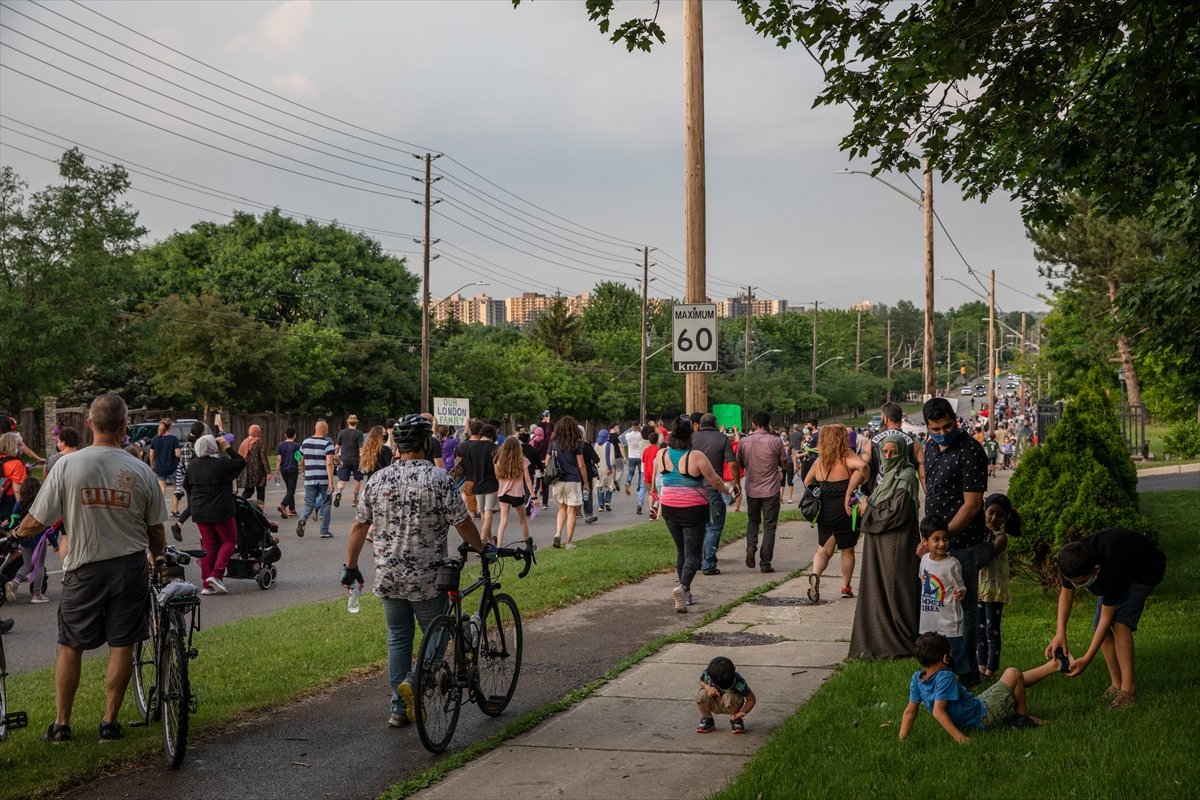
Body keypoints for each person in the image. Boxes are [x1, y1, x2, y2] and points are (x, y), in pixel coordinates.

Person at [15, 393, 166, 744]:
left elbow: (38, 519)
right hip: (129, 567)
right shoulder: (140, 470)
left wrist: (15, 533)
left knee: (71, 644)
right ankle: (109, 723)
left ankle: (62, 725)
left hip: (83, 568)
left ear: (89, 424)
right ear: (125, 426)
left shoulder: (68, 465)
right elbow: (156, 529)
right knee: (123, 644)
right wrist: (156, 557)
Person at [340, 415, 485, 728]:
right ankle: (414, 682)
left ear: (397, 446)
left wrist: (350, 567)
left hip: (388, 575)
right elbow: (463, 523)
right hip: (428, 578)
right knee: (439, 630)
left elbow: (358, 526)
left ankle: (398, 708)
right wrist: (482, 547)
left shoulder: (377, 480)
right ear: (425, 444)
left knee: (398, 639)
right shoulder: (439, 479)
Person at [1047, 527, 1166, 710]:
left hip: (1144, 569)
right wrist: (1060, 633)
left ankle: (1128, 690)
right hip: (1121, 565)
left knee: (1119, 622)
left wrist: (1087, 658)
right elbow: (1066, 593)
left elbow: (1107, 618)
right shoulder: (1073, 560)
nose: (1075, 586)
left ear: (1096, 570)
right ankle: (1116, 684)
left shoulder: (1111, 568)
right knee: (1100, 630)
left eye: (1080, 582)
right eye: (1072, 581)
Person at [920, 396, 990, 685]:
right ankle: (941, 667)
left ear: (955, 420)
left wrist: (943, 537)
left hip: (962, 544)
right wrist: (929, 537)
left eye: (948, 426)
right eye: (936, 428)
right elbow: (931, 484)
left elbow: (972, 504)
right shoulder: (929, 447)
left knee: (964, 610)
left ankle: (967, 673)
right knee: (938, 607)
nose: (942, 432)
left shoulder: (971, 451)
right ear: (927, 427)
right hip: (935, 543)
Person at [899, 632, 1060, 744]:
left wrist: (902, 739)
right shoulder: (945, 676)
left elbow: (910, 711)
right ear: (945, 658)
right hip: (981, 715)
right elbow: (938, 711)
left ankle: (1054, 665)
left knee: (1012, 680)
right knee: (1013, 673)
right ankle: (1022, 719)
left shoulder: (917, 679)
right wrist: (961, 739)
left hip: (976, 705)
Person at [849, 432, 922, 659]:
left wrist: (865, 509)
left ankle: (898, 644)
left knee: (893, 592)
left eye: (894, 452)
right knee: (877, 591)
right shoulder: (890, 474)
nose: (889, 455)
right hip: (880, 544)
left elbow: (895, 514)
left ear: (902, 452)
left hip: (895, 546)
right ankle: (877, 642)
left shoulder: (906, 477)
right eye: (885, 452)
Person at [657, 417, 732, 613]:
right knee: (693, 554)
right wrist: (727, 490)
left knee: (681, 551)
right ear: (691, 435)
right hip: (692, 509)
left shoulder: (661, 453)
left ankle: (686, 593)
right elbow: (714, 481)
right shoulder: (695, 456)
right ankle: (682, 588)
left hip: (669, 508)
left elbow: (662, 478)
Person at [804, 423, 869, 599]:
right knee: (847, 550)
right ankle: (845, 587)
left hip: (825, 509)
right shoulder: (847, 458)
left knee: (823, 550)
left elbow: (807, 481)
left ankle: (816, 575)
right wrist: (859, 483)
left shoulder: (819, 461)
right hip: (846, 509)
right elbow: (863, 466)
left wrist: (819, 490)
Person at [185, 434, 247, 595]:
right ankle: (217, 574)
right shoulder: (222, 463)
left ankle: (206, 583)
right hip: (220, 509)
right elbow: (241, 462)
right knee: (229, 541)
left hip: (199, 510)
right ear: (214, 447)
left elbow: (187, 487)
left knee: (209, 545)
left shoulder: (192, 465)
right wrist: (226, 446)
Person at [918, 515, 970, 680]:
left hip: (949, 622)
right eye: (936, 539)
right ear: (925, 541)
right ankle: (934, 680)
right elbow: (923, 578)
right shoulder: (924, 560)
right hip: (929, 621)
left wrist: (961, 592)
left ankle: (960, 683)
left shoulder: (952, 564)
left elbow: (960, 586)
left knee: (954, 655)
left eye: (945, 539)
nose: (942, 543)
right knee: (931, 654)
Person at [736, 411, 788, 573]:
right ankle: (765, 563)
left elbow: (739, 463)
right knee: (769, 526)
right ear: (769, 424)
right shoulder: (776, 441)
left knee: (752, 521)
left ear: (753, 424)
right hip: (771, 489)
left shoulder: (744, 442)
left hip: (752, 489)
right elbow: (784, 463)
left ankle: (751, 546)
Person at [978, 494, 1019, 679]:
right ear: (984, 511)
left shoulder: (1000, 538)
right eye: (990, 513)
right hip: (979, 587)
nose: (993, 518)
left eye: (999, 515)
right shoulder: (978, 531)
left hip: (994, 589)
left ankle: (991, 670)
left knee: (991, 630)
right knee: (979, 629)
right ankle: (980, 667)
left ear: (1005, 518)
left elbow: (985, 557)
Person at [692, 413, 740, 576]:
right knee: (714, 525)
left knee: (698, 526)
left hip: (694, 488)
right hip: (713, 488)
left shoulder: (692, 438)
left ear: (699, 424)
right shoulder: (722, 439)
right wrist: (736, 482)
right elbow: (732, 463)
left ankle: (696, 561)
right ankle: (709, 563)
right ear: (716, 423)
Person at [855, 401, 925, 493]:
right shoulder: (914, 442)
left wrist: (852, 490)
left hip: (878, 494)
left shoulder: (873, 441)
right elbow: (923, 473)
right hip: (904, 494)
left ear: (885, 419)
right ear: (900, 419)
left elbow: (862, 465)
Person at [549, 416, 590, 550]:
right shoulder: (576, 443)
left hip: (557, 480)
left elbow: (546, 461)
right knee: (571, 511)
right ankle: (568, 542)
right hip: (573, 479)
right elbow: (581, 465)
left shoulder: (554, 442)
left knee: (561, 509)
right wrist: (586, 483)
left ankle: (557, 533)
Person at [695, 655, 756, 735]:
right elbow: (701, 681)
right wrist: (708, 687)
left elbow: (751, 699)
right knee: (701, 694)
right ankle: (707, 719)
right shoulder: (708, 673)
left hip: (731, 704)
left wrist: (743, 712)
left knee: (729, 696)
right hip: (714, 701)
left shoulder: (739, 682)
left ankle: (735, 720)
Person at [493, 436, 536, 547]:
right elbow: (527, 479)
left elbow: (497, 477)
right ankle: (528, 544)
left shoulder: (498, 460)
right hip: (517, 494)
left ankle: (499, 547)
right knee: (522, 520)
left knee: (503, 521)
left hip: (503, 493)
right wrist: (533, 495)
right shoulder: (522, 460)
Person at [460, 423, 500, 542]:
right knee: (489, 513)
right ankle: (482, 542)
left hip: (477, 483)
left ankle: (489, 541)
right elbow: (497, 468)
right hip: (491, 484)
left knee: (482, 512)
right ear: (493, 434)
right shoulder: (494, 448)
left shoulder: (472, 447)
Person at [297, 420, 336, 539]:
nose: (328, 431)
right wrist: (331, 481)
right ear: (324, 429)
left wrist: (302, 471)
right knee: (326, 503)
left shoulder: (305, 442)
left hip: (310, 478)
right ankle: (324, 531)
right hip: (323, 479)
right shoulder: (328, 443)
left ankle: (303, 519)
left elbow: (299, 458)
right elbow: (329, 463)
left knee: (309, 503)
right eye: (327, 429)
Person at [148, 419, 181, 513]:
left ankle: (158, 510)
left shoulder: (155, 439)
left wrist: (152, 465)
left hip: (159, 467)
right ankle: (174, 511)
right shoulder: (174, 439)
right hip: (172, 467)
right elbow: (178, 454)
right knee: (176, 488)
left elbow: (151, 454)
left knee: (162, 488)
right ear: (170, 427)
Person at [334, 415, 365, 509]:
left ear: (348, 422)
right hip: (356, 460)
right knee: (357, 479)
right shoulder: (359, 433)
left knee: (342, 479)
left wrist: (335, 456)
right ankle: (355, 500)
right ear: (357, 423)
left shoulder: (342, 432)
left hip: (344, 460)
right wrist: (363, 459)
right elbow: (361, 449)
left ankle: (339, 492)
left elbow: (337, 446)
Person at [237, 424, 270, 509]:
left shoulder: (244, 442)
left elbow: (239, 457)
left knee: (248, 490)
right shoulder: (259, 442)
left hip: (247, 472)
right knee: (260, 490)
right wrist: (268, 472)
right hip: (259, 472)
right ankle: (260, 509)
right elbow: (263, 458)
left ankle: (241, 505)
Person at [274, 427, 302, 518]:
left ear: (285, 435)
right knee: (291, 490)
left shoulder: (281, 445)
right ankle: (283, 505)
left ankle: (292, 509)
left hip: (284, 470)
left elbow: (279, 458)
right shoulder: (297, 445)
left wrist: (277, 471)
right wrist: (301, 469)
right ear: (294, 435)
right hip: (293, 470)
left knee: (289, 489)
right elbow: (298, 458)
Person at [0, 431, 28, 522]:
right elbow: (17, 490)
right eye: (19, 444)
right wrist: (23, 510)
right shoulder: (16, 464)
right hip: (10, 501)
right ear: (13, 446)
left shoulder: (1, 459)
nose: (22, 447)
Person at [593, 429, 616, 512]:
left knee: (600, 486)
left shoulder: (595, 445)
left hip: (598, 469)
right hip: (607, 469)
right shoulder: (610, 445)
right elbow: (612, 459)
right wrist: (611, 468)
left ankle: (600, 505)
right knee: (609, 486)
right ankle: (607, 501)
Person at [639, 428, 660, 517]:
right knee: (659, 492)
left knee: (651, 493)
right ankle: (655, 506)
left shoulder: (646, 450)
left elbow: (643, 463)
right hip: (655, 474)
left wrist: (644, 474)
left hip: (647, 474)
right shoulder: (658, 450)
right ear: (657, 440)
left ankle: (651, 509)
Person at [622, 421, 646, 496]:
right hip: (639, 456)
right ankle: (638, 489)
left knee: (630, 472)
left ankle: (628, 483)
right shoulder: (641, 435)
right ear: (638, 426)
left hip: (631, 456)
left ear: (631, 426)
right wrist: (641, 429)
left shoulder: (628, 435)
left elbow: (624, 439)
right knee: (640, 473)